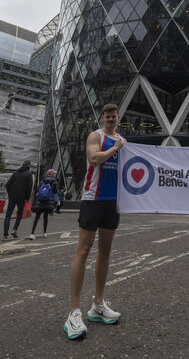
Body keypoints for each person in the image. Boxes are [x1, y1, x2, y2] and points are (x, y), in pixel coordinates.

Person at [64, 103, 125, 340]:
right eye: (107, 117)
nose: (111, 119)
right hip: (93, 198)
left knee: (106, 250)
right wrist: (115, 148)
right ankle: (73, 312)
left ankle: (98, 305)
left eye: (114, 116)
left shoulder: (122, 140)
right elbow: (93, 158)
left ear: (118, 117)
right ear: (103, 118)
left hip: (113, 202)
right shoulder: (95, 136)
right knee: (83, 249)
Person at [2, 160, 33, 240]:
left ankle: (5, 235)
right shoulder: (29, 174)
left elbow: (8, 185)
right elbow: (29, 188)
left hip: (12, 196)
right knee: (19, 213)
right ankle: (15, 229)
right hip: (21, 197)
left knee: (8, 215)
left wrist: (10, 194)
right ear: (29, 166)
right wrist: (27, 198)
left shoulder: (15, 173)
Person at [29, 169, 59, 239]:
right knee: (45, 217)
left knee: (37, 217)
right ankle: (44, 233)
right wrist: (56, 202)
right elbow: (55, 193)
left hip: (40, 201)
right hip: (48, 201)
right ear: (53, 174)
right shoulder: (54, 181)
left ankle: (32, 233)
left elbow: (37, 190)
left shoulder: (42, 180)